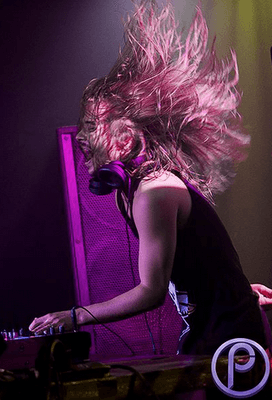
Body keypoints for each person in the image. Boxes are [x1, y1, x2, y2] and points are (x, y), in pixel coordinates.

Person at [29, 1, 272, 355]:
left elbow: (152, 291)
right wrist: (233, 287)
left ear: (126, 140)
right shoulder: (127, 193)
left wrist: (74, 316)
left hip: (231, 337)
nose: (81, 137)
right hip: (210, 330)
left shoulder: (155, 193)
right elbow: (196, 264)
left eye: (92, 127)